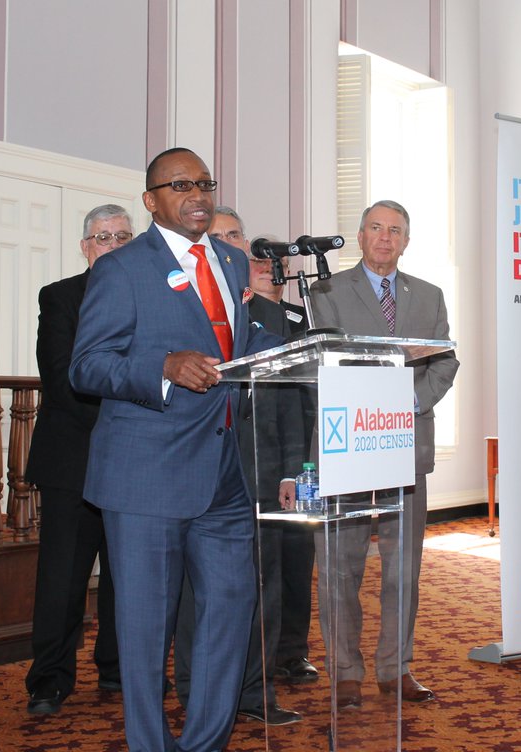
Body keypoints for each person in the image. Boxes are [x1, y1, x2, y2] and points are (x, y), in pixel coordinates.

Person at [69, 148, 282, 752]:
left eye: (205, 184)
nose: (197, 195)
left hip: (224, 472)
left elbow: (238, 343)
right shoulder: (123, 269)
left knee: (230, 612)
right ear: (151, 200)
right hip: (146, 476)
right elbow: (87, 366)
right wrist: (162, 366)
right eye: (180, 184)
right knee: (145, 632)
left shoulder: (235, 264)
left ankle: (204, 743)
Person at [307, 199, 459, 708]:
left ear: (406, 241)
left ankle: (396, 668)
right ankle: (345, 672)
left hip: (407, 445)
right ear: (360, 234)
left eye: (395, 230)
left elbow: (444, 361)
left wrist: (413, 401)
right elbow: (325, 361)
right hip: (348, 443)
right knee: (339, 568)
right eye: (376, 228)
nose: (385, 238)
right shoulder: (325, 291)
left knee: (403, 568)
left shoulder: (430, 296)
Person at [172, 206, 303, 726]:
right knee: (198, 595)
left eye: (236, 237)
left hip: (262, 473)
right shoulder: (184, 308)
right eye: (219, 237)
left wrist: (293, 470)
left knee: (263, 589)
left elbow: (292, 403)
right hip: (198, 473)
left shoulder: (273, 318)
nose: (229, 245)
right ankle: (197, 696)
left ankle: (256, 693)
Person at [22, 204, 133, 715]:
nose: (112, 245)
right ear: (86, 246)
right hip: (74, 461)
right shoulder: (61, 297)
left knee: (125, 576)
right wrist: (127, 419)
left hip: (134, 463)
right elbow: (64, 379)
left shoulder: (149, 297)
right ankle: (49, 678)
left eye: (122, 236)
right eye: (102, 237)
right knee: (63, 579)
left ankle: (115, 669)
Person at [247, 235, 318, 685]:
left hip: (309, 448)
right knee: (263, 564)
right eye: (257, 260)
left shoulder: (302, 315)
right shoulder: (244, 316)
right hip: (261, 453)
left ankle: (293, 650)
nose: (267, 266)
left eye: (274, 260)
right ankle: (261, 657)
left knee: (298, 557)